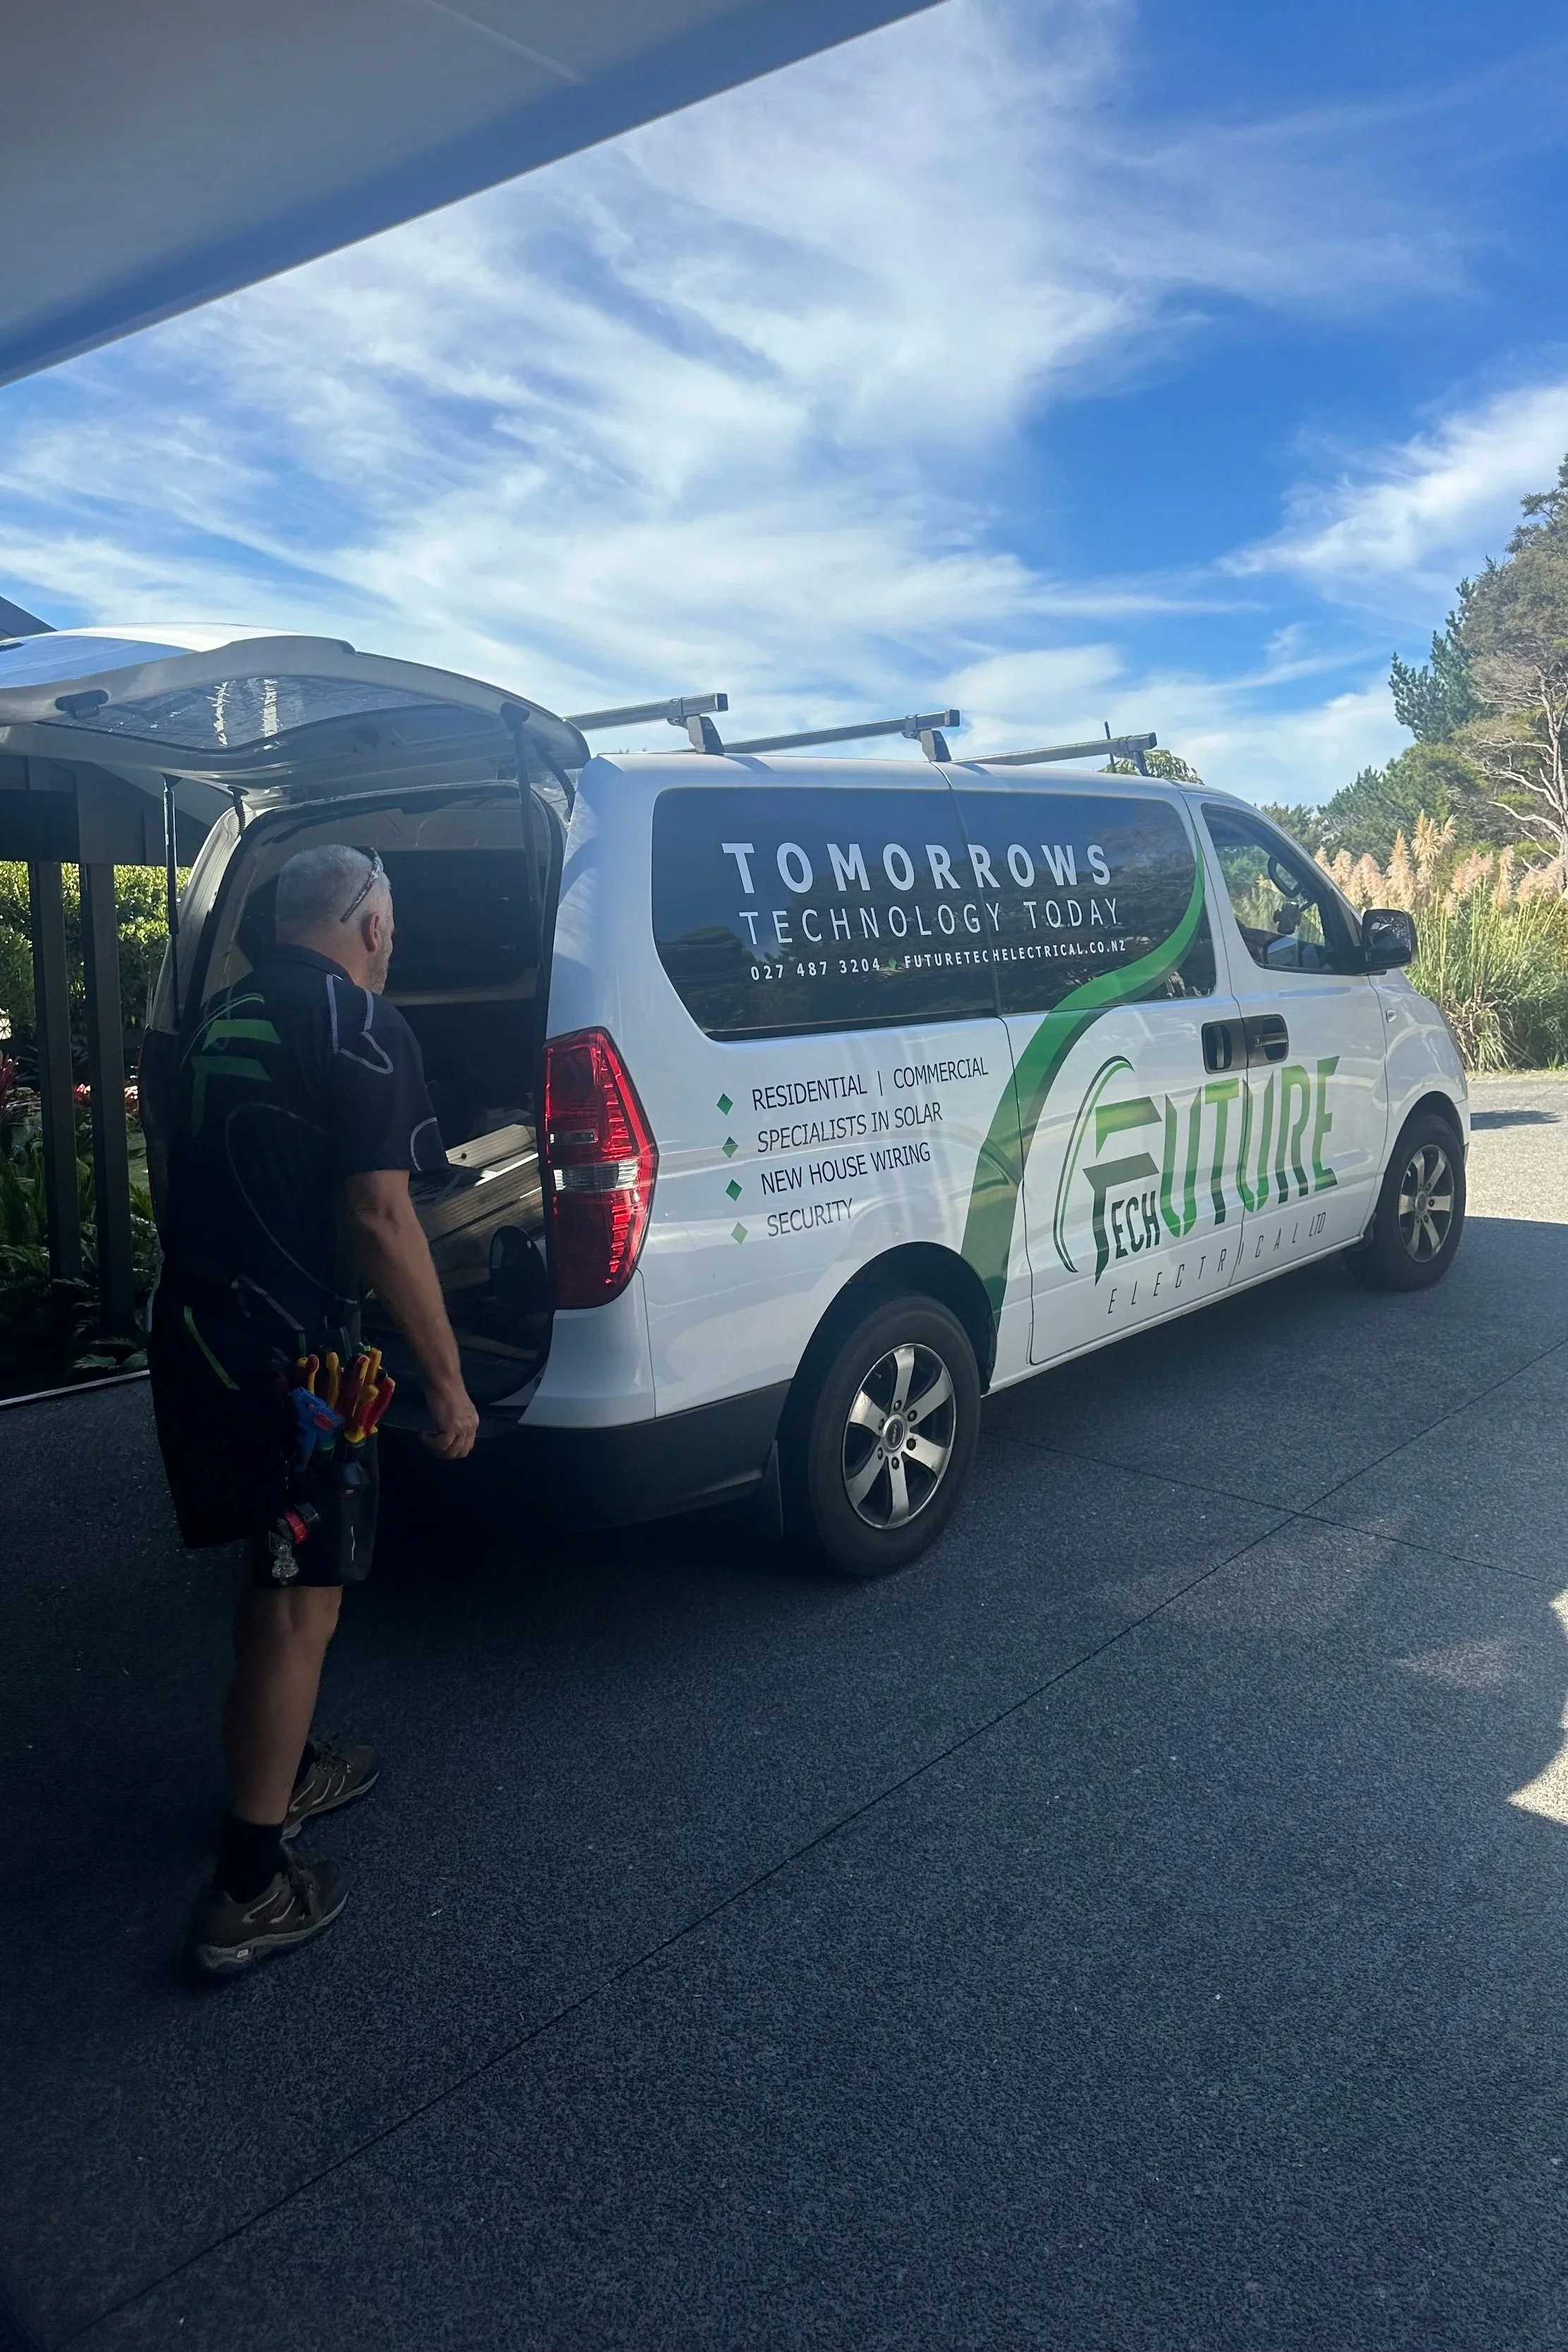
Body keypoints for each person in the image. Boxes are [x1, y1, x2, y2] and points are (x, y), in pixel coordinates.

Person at [148, 841, 478, 1981]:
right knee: (302, 1608)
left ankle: (280, 1776)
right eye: (393, 927)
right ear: (373, 928)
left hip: (198, 1339)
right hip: (299, 1369)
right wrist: (446, 1380)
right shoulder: (358, 1023)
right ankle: (246, 1889)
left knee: (273, 1580)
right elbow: (385, 1219)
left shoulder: (214, 1019)